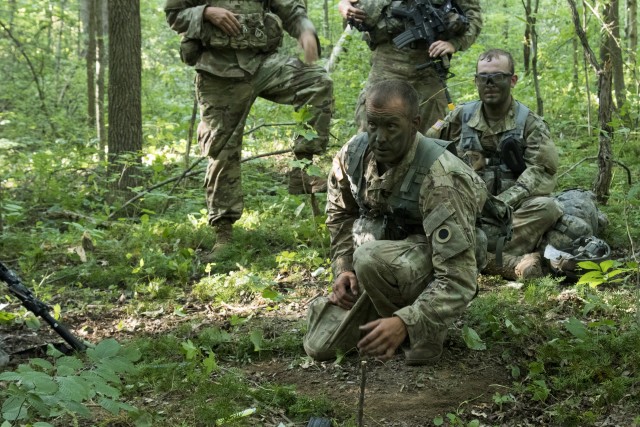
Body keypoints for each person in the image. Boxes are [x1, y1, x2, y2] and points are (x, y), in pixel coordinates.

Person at [303, 80, 488, 365]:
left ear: (414, 124)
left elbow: (458, 279)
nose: (379, 137)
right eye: (372, 125)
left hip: (431, 266)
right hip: (380, 268)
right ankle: (383, 314)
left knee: (368, 257)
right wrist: (343, 269)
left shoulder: (441, 178)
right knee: (320, 346)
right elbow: (340, 214)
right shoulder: (353, 155)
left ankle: (421, 332)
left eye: (391, 126)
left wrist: (407, 322)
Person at [164, 0, 334, 256]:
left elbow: (289, 7)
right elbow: (174, 15)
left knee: (317, 82)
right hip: (218, 71)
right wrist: (207, 13)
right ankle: (223, 235)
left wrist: (305, 30)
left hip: (262, 63)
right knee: (221, 150)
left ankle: (303, 168)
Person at [426, 49, 562, 279]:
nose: (489, 83)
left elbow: (541, 171)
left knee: (547, 208)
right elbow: (427, 150)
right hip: (464, 211)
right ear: (476, 81)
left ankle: (468, 251)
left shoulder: (530, 124)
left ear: (513, 80)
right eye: (483, 77)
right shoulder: (459, 117)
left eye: (497, 76)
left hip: (510, 215)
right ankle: (494, 256)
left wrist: (501, 204)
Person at [338, 0, 482, 133]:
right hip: (387, 63)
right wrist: (344, 5)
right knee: (372, 127)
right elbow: (350, 4)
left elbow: (473, 17)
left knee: (433, 132)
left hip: (429, 67)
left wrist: (455, 43)